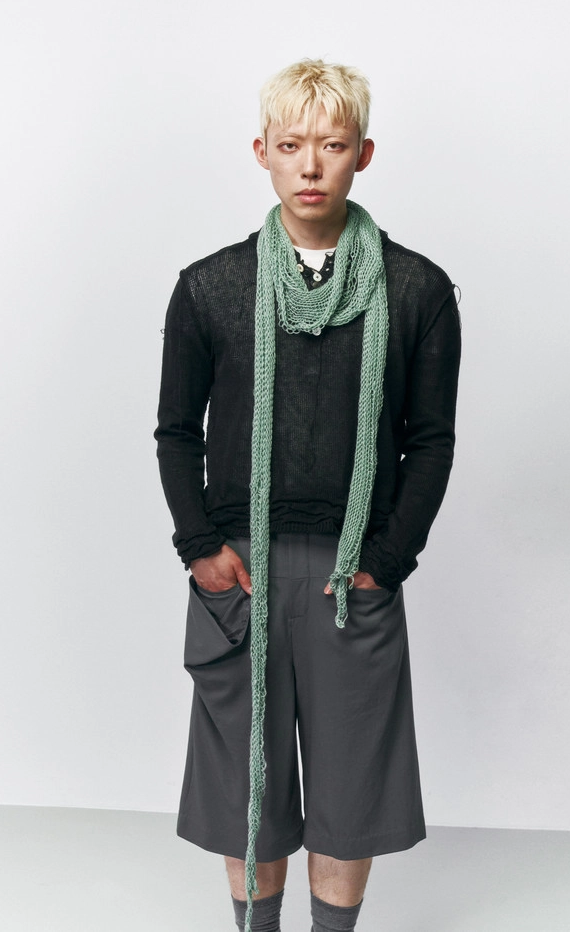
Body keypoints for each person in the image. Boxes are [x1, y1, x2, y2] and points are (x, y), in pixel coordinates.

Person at [155, 58, 461, 932]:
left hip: (352, 575)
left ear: (363, 153)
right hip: (239, 572)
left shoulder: (416, 289)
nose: (311, 165)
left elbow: (430, 440)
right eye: (291, 146)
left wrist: (386, 562)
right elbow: (177, 431)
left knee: (350, 792)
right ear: (262, 152)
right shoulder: (211, 286)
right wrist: (200, 552)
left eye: (331, 145)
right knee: (243, 791)